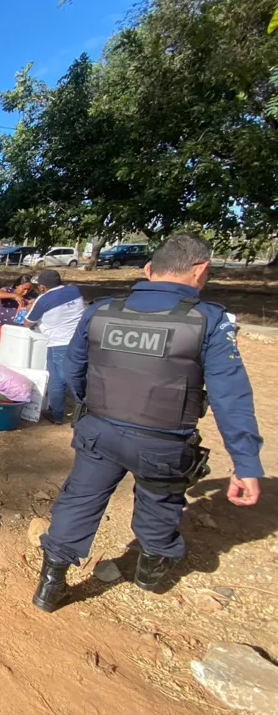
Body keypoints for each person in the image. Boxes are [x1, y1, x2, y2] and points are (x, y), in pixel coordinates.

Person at [33, 233, 264, 614]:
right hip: (163, 439)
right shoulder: (208, 320)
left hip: (99, 431)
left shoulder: (103, 310)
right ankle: (150, 572)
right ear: (201, 269)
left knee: (79, 499)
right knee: (160, 502)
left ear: (148, 269)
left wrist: (93, 405)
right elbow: (230, 396)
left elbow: (74, 370)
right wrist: (246, 462)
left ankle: (50, 583)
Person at [23, 269, 86, 425]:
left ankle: (66, 415)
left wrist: (30, 307)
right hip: (80, 341)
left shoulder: (43, 299)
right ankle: (77, 412)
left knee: (60, 380)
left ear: (43, 287)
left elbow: (28, 322)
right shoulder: (74, 290)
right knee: (74, 376)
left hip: (59, 344)